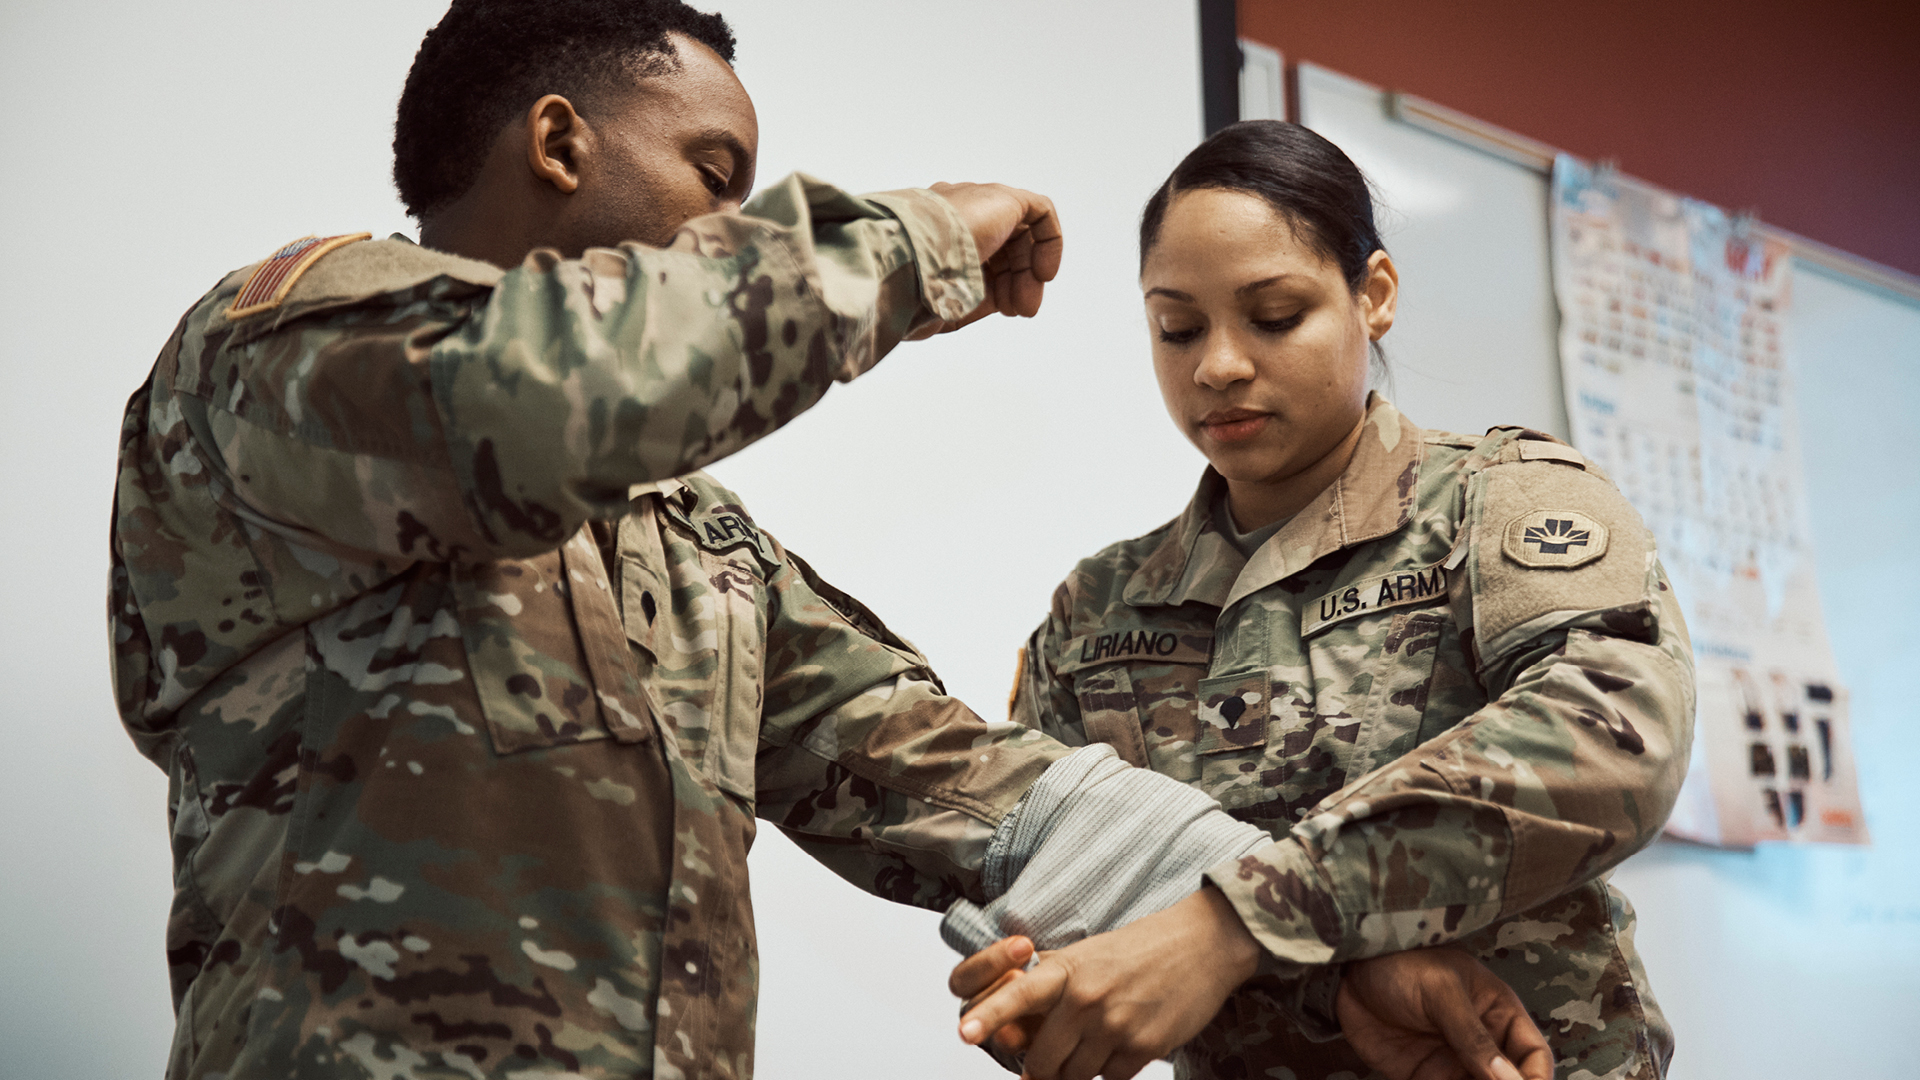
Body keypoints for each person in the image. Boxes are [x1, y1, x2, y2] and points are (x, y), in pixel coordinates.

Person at [109, 3, 1552, 1076]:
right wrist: (911, 238)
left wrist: (1337, 948)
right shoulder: (289, 353)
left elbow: (979, 792)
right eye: (716, 170)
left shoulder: (688, 549)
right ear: (559, 142)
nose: (732, 215)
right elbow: (548, 390)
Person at [954, 120, 1694, 1080]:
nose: (1216, 364)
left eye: (1272, 315)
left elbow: (1612, 739)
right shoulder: (1098, 613)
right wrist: (1043, 975)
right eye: (1177, 328)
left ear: (1372, 296)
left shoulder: (1499, 503)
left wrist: (1246, 916)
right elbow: (1060, 869)